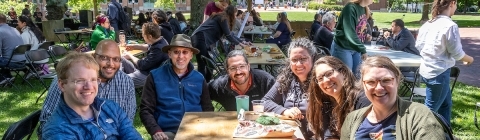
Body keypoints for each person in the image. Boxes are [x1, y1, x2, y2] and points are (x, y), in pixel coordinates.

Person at [38, 40, 137, 137]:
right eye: (104, 58)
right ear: (94, 57)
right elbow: (47, 124)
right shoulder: (66, 79)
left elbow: (126, 125)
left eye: (116, 59)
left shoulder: (120, 90)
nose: (110, 64)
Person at [340, 56, 446, 139]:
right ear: (363, 85)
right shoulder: (352, 119)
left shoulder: (419, 116)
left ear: (397, 81)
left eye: (386, 80)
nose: (379, 88)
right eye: (371, 82)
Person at [140, 34, 214, 140]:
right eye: (176, 52)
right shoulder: (154, 76)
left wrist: (209, 128)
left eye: (185, 52)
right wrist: (155, 130)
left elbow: (207, 108)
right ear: (169, 54)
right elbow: (145, 110)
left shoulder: (199, 78)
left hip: (197, 131)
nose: (180, 56)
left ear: (191, 55)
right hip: (168, 133)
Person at [415, 0, 474, 125]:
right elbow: (457, 53)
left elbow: (419, 45)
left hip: (427, 70)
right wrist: (470, 59)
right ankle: (416, 134)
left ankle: (445, 134)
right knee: (429, 112)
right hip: (439, 73)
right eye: (456, 4)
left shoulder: (428, 24)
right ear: (452, 3)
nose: (456, 7)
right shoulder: (450, 25)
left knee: (445, 105)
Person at [262, 38, 318, 138]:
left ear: (312, 58)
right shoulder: (286, 79)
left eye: (303, 59)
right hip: (290, 133)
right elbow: (265, 102)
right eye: (294, 60)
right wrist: (285, 111)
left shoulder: (320, 81)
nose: (298, 64)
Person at [307, 56, 370, 139]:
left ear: (343, 72)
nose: (325, 80)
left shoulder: (362, 101)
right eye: (320, 78)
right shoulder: (330, 102)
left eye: (329, 73)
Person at [191, 5, 249, 82]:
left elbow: (230, 34)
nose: (235, 17)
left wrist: (241, 41)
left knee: (209, 64)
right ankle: (202, 86)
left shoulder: (222, 17)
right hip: (200, 38)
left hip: (201, 38)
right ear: (231, 14)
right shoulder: (223, 18)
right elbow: (228, 36)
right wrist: (242, 45)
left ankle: (207, 83)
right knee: (202, 64)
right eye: (235, 15)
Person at [209, 50, 276, 111]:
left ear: (248, 66)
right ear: (227, 71)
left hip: (261, 122)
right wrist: (208, 109)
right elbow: (201, 92)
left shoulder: (265, 81)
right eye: (233, 68)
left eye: (242, 66)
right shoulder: (221, 85)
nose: (238, 72)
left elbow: (280, 104)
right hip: (234, 123)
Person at [331, 0, 373, 76]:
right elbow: (350, 33)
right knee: (346, 77)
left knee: (357, 76)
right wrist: (363, 50)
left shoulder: (364, 9)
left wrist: (364, 36)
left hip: (355, 48)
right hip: (343, 47)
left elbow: (357, 28)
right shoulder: (350, 8)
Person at [123, 22, 169, 87]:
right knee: (121, 59)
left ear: (150, 36)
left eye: (143, 35)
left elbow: (142, 65)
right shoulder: (160, 40)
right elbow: (148, 46)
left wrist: (130, 55)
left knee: (120, 80)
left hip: (148, 76)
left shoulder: (158, 49)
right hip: (144, 70)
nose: (142, 36)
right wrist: (134, 46)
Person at [0, 14, 24, 84]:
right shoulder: (15, 30)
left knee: (3, 58)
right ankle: (6, 76)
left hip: (11, 62)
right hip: (23, 61)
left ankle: (3, 78)